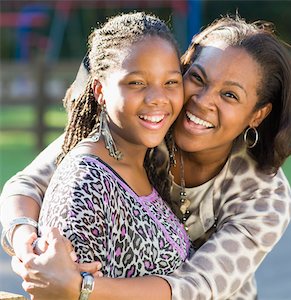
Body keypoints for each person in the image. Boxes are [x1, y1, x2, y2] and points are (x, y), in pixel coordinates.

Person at [1, 15, 291, 300]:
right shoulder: (146, 124)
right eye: (197, 79)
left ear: (258, 114)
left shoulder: (265, 196)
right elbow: (27, 183)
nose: (201, 102)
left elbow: (196, 287)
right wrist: (31, 251)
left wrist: (80, 287)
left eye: (230, 95)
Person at [2, 10, 190, 298]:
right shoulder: (86, 183)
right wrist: (24, 237)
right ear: (100, 91)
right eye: (136, 82)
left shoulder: (146, 159)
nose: (158, 98)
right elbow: (57, 293)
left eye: (171, 82)